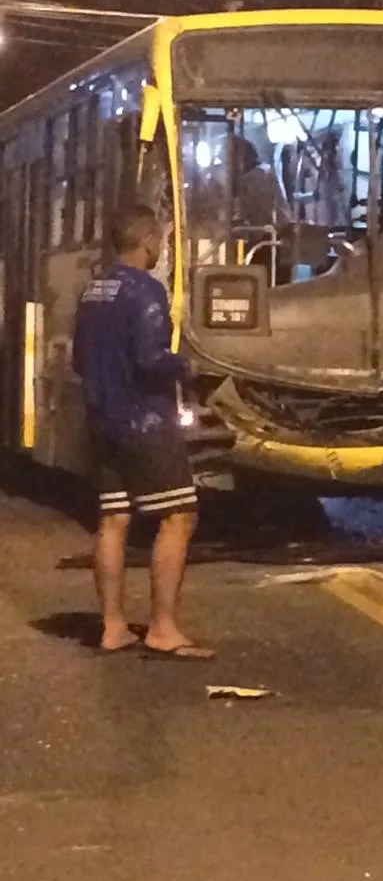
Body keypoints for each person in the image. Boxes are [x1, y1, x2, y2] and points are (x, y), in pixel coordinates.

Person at [73, 204, 214, 659]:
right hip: (145, 423)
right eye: (162, 241)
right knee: (179, 515)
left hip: (103, 420)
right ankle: (163, 628)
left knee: (114, 519)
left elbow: (79, 360)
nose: (162, 249)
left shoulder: (93, 291)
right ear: (148, 241)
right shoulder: (146, 292)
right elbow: (151, 358)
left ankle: (113, 627)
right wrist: (190, 367)